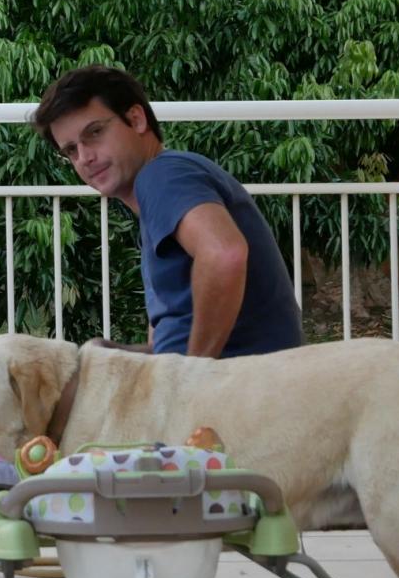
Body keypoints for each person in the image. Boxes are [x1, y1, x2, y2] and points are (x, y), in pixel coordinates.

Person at [32, 65, 301, 358]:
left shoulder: (163, 175)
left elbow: (225, 254)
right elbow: (171, 347)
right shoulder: (160, 192)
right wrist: (123, 355)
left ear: (136, 120)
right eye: (71, 150)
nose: (84, 157)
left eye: (95, 132)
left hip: (238, 383)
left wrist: (191, 373)